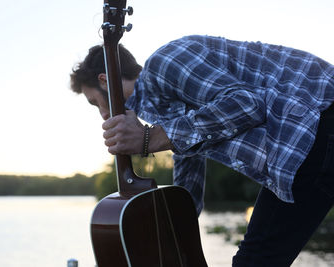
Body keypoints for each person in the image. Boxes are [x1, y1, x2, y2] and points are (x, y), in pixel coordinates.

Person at [70, 35, 334, 266]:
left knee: (255, 261)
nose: (104, 116)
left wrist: (149, 138)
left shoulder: (164, 63)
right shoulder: (161, 108)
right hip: (310, 136)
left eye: (96, 104)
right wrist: (166, 235)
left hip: (315, 120)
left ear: (104, 81)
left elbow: (246, 104)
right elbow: (189, 179)